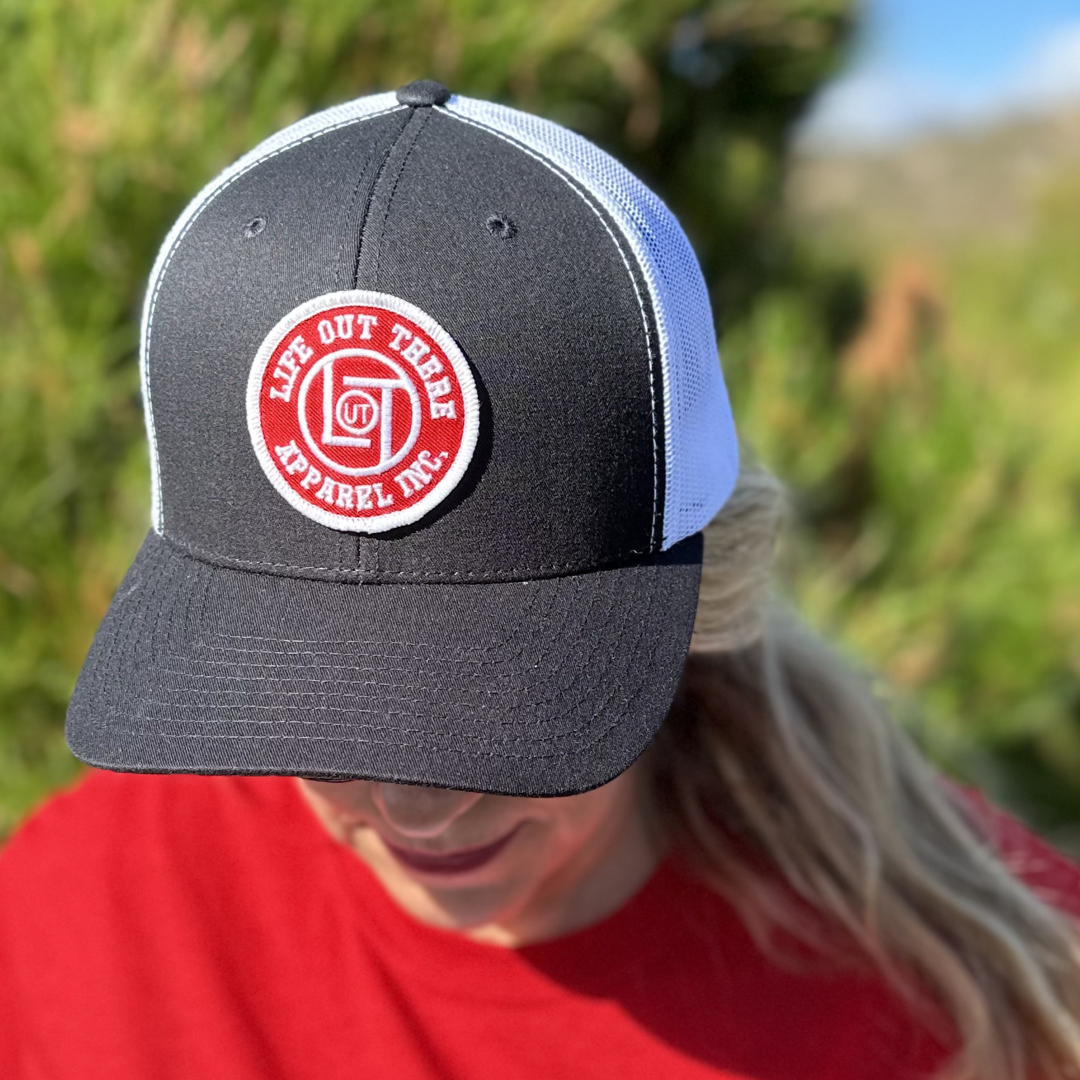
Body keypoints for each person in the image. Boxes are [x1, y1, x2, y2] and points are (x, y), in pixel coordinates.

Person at [2, 80, 1079, 1080]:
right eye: (312, 705)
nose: (417, 811)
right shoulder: (72, 933)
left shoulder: (977, 999)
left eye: (512, 705)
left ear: (706, 598)